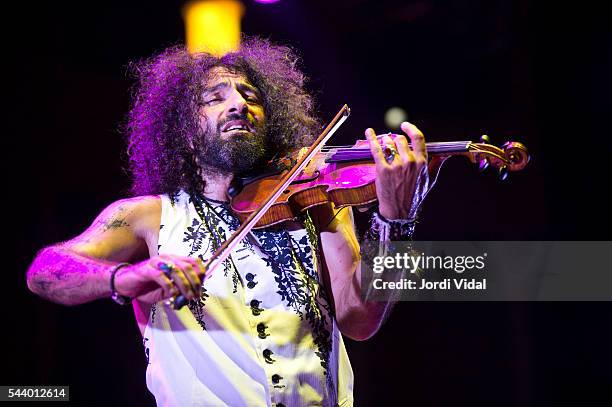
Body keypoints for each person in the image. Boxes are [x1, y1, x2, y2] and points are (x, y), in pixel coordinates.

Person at [26, 37, 431, 407]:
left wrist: (395, 220)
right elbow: (46, 271)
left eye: (250, 95)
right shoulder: (148, 216)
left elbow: (360, 319)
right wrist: (124, 279)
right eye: (214, 98)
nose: (238, 104)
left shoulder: (316, 204)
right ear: (184, 131)